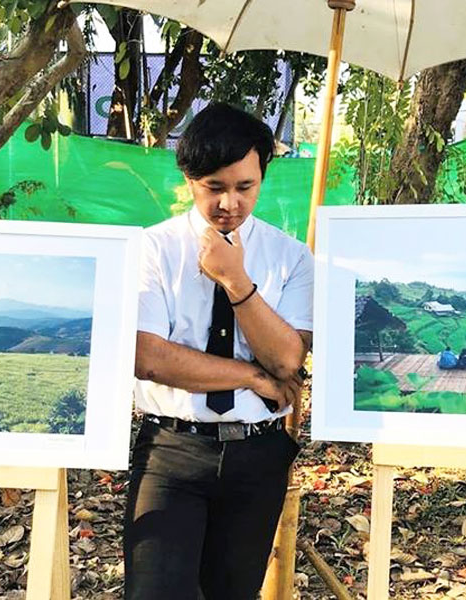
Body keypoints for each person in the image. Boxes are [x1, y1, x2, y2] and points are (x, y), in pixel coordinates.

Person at [124, 103, 313, 600]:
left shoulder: (290, 257)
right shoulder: (152, 249)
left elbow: (289, 360)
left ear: (261, 177)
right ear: (189, 179)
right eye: (214, 187)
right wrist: (251, 377)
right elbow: (148, 356)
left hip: (258, 453)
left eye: (244, 187)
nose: (229, 202)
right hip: (171, 450)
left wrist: (235, 279)